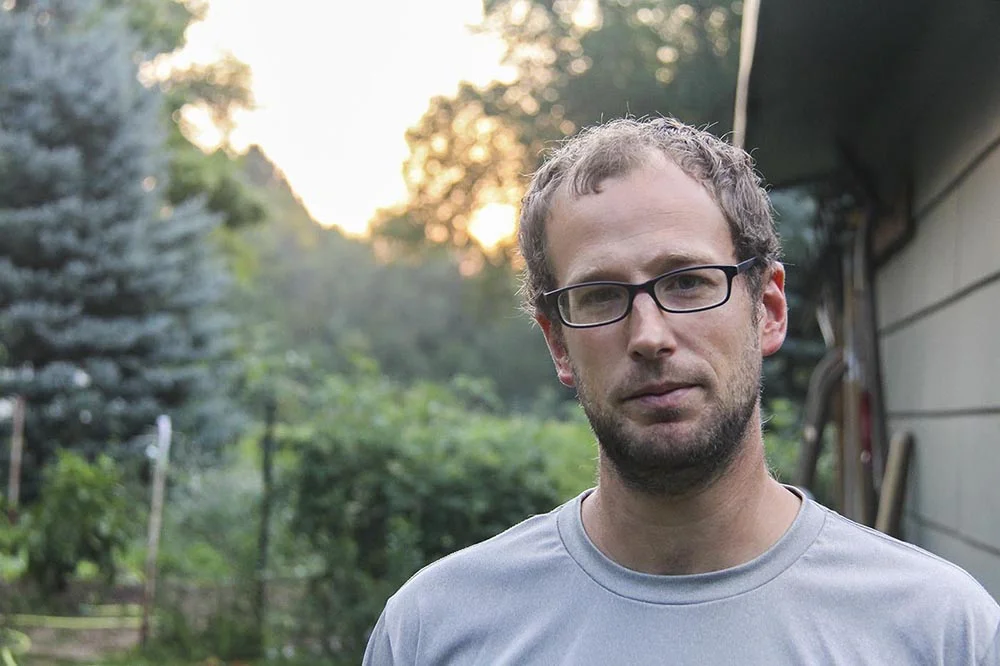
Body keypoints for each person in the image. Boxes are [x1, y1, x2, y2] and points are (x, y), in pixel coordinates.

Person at [363, 117, 1000, 664]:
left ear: (768, 308)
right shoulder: (434, 631)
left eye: (689, 282)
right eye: (601, 296)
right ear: (558, 342)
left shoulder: (940, 632)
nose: (649, 336)